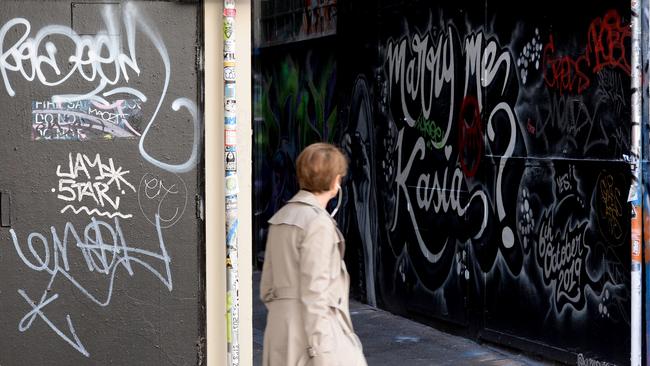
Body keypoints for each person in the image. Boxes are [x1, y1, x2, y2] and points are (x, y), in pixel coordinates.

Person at [260, 143, 367, 366]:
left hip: (280, 333)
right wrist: (322, 352)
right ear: (335, 181)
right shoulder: (318, 223)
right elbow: (315, 293)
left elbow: (267, 287)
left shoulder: (281, 216)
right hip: (310, 339)